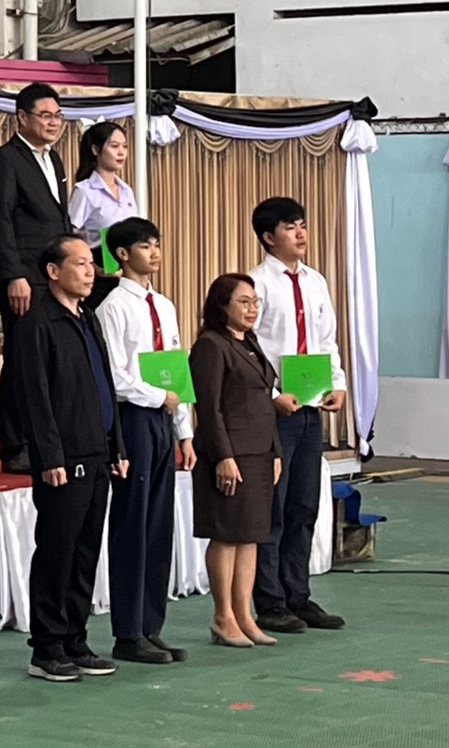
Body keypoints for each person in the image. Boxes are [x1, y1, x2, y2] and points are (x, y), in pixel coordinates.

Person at [8, 235, 127, 682]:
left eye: (91, 263)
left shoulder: (87, 316)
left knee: (85, 552)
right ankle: (47, 647)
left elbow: (104, 385)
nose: (90, 271)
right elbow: (34, 396)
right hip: (63, 458)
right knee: (57, 551)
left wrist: (117, 446)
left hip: (98, 452)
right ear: (53, 271)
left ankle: (76, 639)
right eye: (79, 264)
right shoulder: (37, 323)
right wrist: (49, 455)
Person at [95, 217, 195, 664]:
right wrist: (158, 397)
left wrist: (184, 431)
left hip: (164, 418)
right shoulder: (114, 306)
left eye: (157, 244)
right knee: (132, 523)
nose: (154, 252)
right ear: (122, 254)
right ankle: (128, 630)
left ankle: (152, 625)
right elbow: (116, 376)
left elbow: (175, 369)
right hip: (134, 417)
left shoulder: (165, 305)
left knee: (158, 524)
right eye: (144, 246)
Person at [249, 197, 349, 633]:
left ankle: (298, 594)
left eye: (303, 225)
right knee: (275, 505)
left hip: (311, 404)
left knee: (304, 503)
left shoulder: (315, 281)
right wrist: (272, 395)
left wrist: (338, 383)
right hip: (276, 409)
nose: (301, 233)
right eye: (290, 227)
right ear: (269, 237)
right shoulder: (256, 284)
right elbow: (251, 349)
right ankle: (270, 602)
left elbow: (327, 339)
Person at [0, 82, 70, 474]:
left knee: (48, 359)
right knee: (21, 358)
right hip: (22, 276)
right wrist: (14, 274)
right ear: (22, 117)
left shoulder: (55, 160)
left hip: (53, 275)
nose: (53, 123)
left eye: (58, 116)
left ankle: (45, 437)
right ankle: (16, 444)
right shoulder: (5, 160)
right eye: (45, 115)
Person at [191, 273, 283, 648]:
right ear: (222, 305)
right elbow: (208, 408)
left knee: (251, 536)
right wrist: (223, 456)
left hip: (259, 452)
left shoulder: (251, 343)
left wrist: (275, 451)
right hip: (231, 453)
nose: (252, 309)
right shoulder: (211, 346)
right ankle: (222, 616)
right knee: (227, 534)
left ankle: (244, 614)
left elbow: (265, 400)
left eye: (255, 302)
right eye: (243, 302)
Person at [67, 121, 137, 307]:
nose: (121, 152)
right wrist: (93, 266)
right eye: (114, 146)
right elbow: (70, 235)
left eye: (124, 146)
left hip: (128, 270)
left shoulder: (127, 190)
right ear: (96, 150)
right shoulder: (85, 190)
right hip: (100, 270)